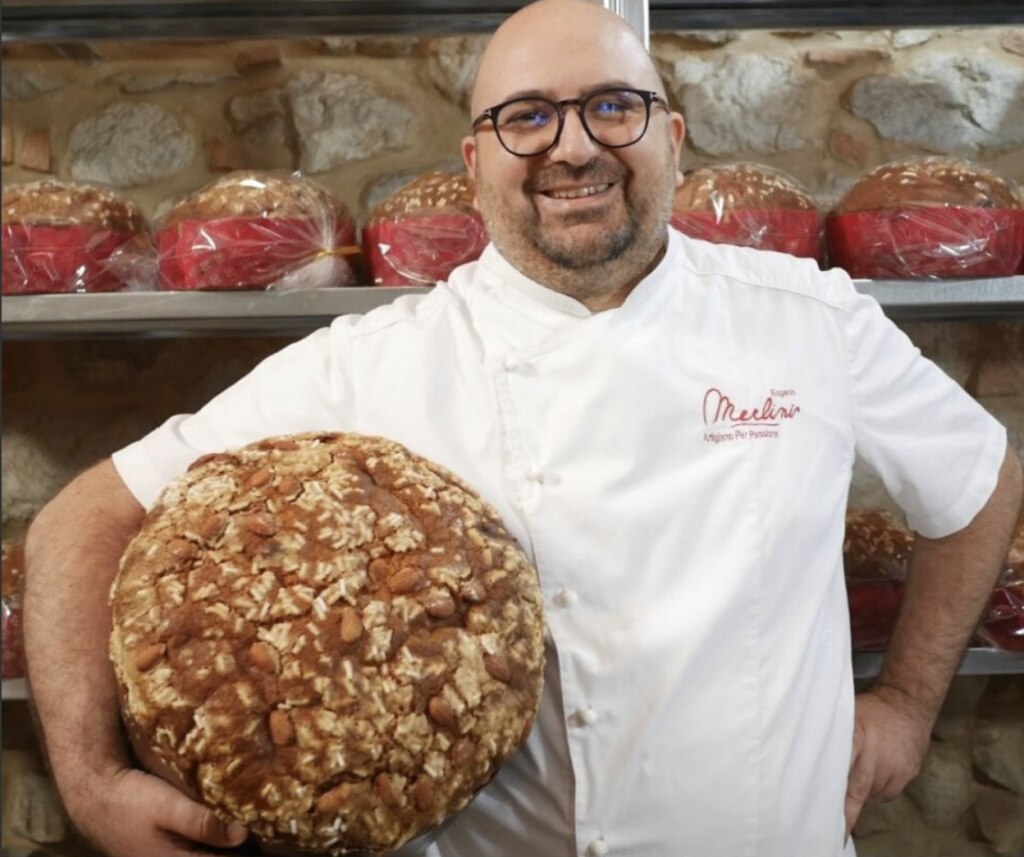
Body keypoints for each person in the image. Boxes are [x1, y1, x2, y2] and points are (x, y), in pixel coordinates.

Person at [22, 1, 1023, 856]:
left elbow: (976, 482)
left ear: (671, 137)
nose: (573, 144)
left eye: (611, 106)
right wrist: (90, 778)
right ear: (475, 162)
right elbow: (79, 519)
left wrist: (904, 703)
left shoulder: (808, 316)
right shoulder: (372, 360)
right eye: (525, 117)